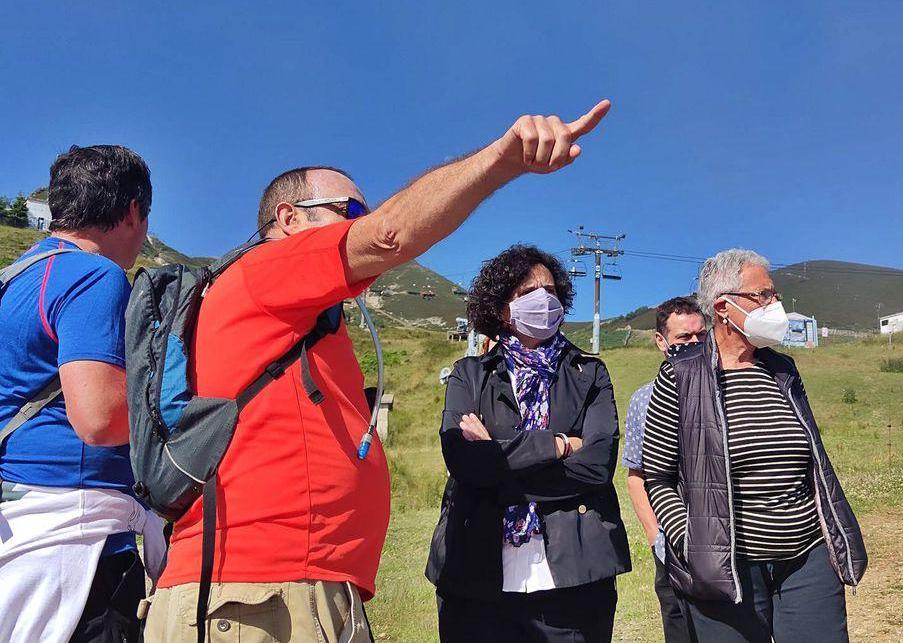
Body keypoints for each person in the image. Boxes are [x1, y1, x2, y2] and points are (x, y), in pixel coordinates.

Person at [144, 100, 613, 642]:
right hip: (261, 593)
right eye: (348, 211)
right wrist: (504, 159)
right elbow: (391, 234)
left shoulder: (303, 317)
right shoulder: (268, 269)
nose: (360, 224)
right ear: (289, 218)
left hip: (293, 587)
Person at [642, 249, 868, 643]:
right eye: (763, 295)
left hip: (808, 557)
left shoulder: (783, 370)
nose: (775, 305)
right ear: (723, 307)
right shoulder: (680, 374)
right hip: (727, 568)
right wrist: (694, 542)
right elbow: (657, 478)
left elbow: (810, 458)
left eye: (774, 295)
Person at [427, 245, 631, 642]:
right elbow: (464, 462)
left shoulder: (589, 373)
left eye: (551, 290)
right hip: (475, 581)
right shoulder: (470, 374)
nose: (544, 299)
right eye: (527, 292)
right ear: (501, 308)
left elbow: (597, 465)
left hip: (574, 580)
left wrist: (498, 458)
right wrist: (556, 445)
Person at [0, 145, 158, 642]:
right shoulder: (94, 275)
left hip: (17, 524)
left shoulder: (13, 280)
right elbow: (99, 419)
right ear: (132, 210)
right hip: (76, 543)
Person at [624, 296, 707, 642]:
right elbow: (636, 476)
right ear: (661, 342)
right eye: (683, 339)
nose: (694, 345)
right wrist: (656, 538)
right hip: (673, 548)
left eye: (701, 337)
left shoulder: (725, 387)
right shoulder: (644, 399)